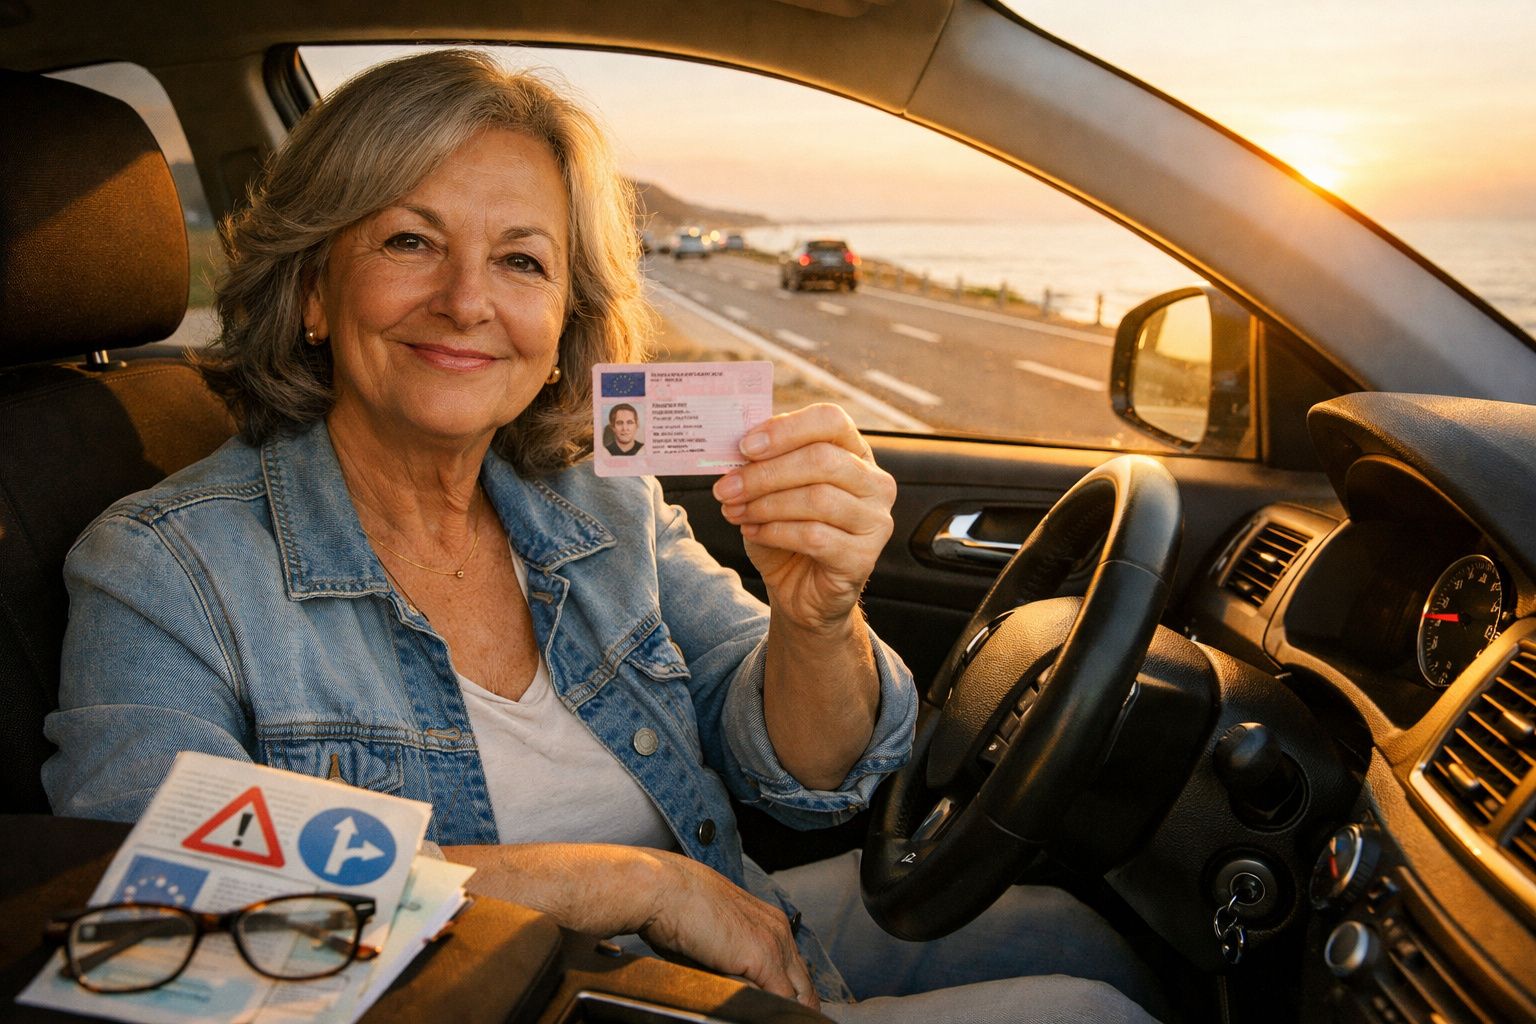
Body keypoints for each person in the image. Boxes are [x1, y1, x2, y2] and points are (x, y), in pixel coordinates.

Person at [43, 50, 1163, 1022]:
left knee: (1071, 932)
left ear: (561, 322)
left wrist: (815, 616)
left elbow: (809, 778)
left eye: (523, 260)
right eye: (409, 242)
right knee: (1091, 1014)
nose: (469, 299)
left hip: (699, 930)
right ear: (314, 294)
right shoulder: (161, 566)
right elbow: (154, 914)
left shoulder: (595, 498)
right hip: (494, 999)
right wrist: (632, 886)